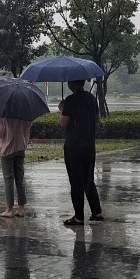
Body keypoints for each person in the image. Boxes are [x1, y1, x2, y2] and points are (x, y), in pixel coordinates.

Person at [58, 79, 102, 226]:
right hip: (89, 145)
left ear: (71, 84)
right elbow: (97, 119)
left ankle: (78, 217)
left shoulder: (70, 100)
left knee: (76, 181)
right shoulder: (91, 98)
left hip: (74, 146)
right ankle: (96, 212)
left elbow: (63, 123)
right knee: (88, 179)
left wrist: (62, 109)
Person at [0, 114, 33, 217]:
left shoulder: (2, 113)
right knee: (20, 179)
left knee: (8, 179)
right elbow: (27, 129)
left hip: (7, 149)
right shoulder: (24, 112)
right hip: (20, 147)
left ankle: (9, 209)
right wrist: (24, 143)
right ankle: (21, 208)